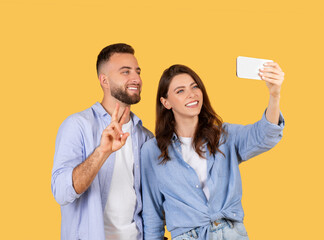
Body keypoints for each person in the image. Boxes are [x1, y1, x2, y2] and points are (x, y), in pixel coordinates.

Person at [141, 63, 285, 240]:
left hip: (232, 233)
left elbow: (265, 135)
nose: (192, 94)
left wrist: (274, 94)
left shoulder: (224, 136)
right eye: (180, 91)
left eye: (195, 87)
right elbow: (152, 213)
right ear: (166, 102)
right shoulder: (152, 150)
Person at [51, 43, 153, 240]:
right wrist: (102, 152)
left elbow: (151, 203)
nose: (136, 79)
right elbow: (61, 193)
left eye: (137, 72)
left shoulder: (145, 136)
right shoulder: (77, 126)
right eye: (125, 72)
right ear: (104, 80)